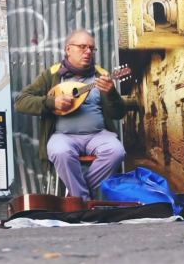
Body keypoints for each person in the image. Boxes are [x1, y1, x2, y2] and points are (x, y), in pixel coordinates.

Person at [15, 29, 127, 201]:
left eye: (91, 48)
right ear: (68, 49)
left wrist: (112, 93)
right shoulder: (52, 75)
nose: (88, 52)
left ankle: (78, 199)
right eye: (82, 47)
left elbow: (119, 114)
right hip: (64, 136)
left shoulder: (101, 76)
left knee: (117, 151)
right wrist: (52, 102)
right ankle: (84, 201)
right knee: (60, 152)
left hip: (98, 135)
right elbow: (22, 102)